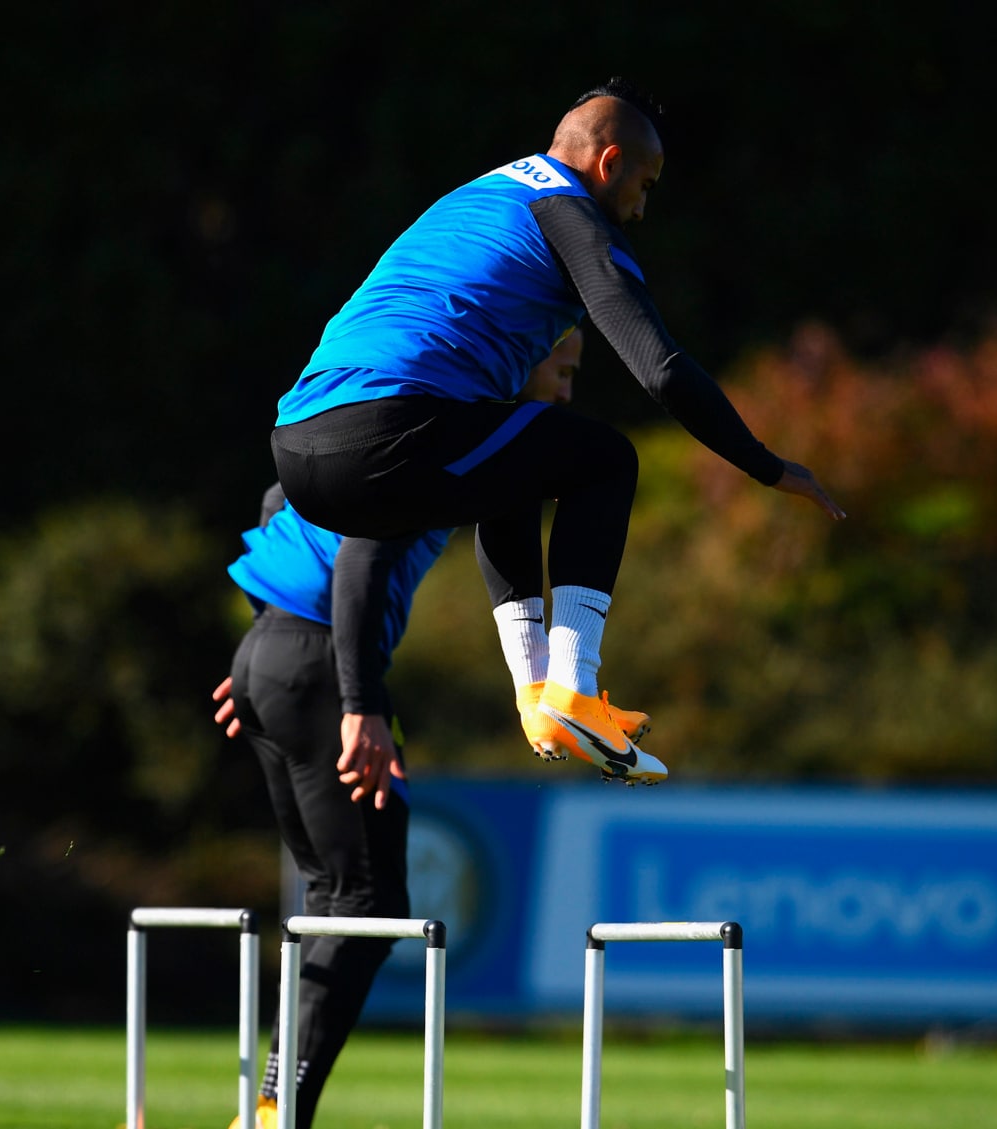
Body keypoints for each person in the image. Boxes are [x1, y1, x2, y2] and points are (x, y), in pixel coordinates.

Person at [268, 78, 845, 790]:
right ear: (609, 164)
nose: (642, 208)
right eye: (645, 185)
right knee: (605, 459)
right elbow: (661, 369)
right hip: (384, 431)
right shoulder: (569, 211)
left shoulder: (481, 193)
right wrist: (766, 465)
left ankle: (539, 697)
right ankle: (575, 687)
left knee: (517, 458)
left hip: (298, 449)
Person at [211, 343, 621, 1129]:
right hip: (321, 662)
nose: (567, 392)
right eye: (562, 369)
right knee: (368, 902)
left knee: (334, 898)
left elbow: (275, 499)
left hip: (276, 653)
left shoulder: (410, 426)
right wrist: (358, 702)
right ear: (518, 357)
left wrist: (265, 645)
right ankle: (274, 1113)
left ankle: (267, 1106)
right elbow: (361, 562)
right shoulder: (428, 436)